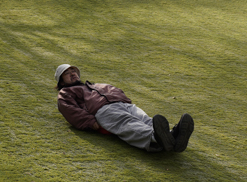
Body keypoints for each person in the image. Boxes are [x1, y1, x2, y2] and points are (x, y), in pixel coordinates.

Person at [55, 64, 194, 152]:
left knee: (146, 119)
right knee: (128, 124)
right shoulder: (66, 92)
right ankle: (156, 137)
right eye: (67, 73)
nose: (72, 73)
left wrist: (124, 100)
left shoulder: (94, 85)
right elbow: (68, 109)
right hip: (103, 110)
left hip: (125, 104)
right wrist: (89, 121)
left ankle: (172, 136)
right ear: (61, 81)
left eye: (74, 71)